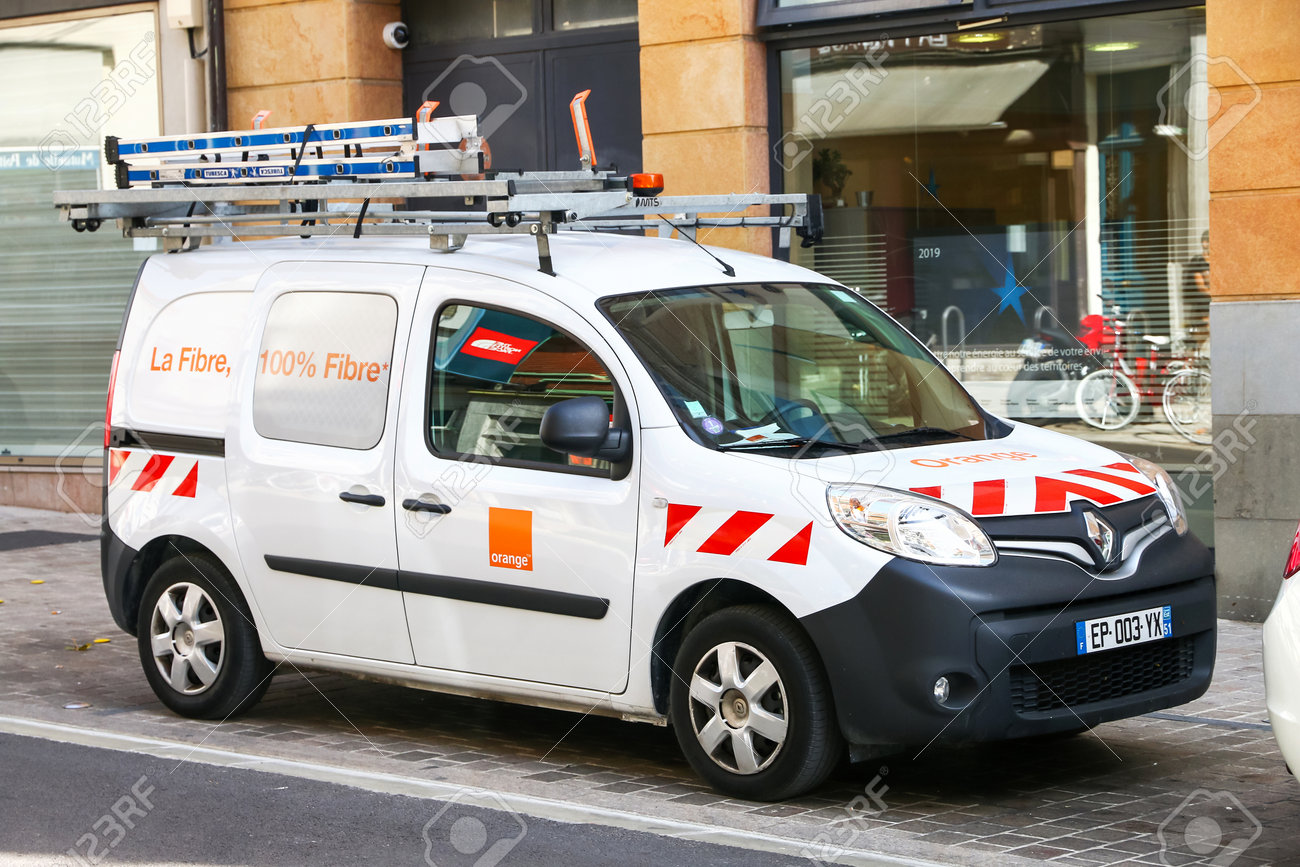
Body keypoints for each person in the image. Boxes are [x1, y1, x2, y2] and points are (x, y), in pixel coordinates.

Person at [1183, 231, 1210, 331]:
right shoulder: (1198, 261)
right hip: (1201, 304)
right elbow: (1201, 287)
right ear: (1205, 243)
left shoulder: (1216, 262)